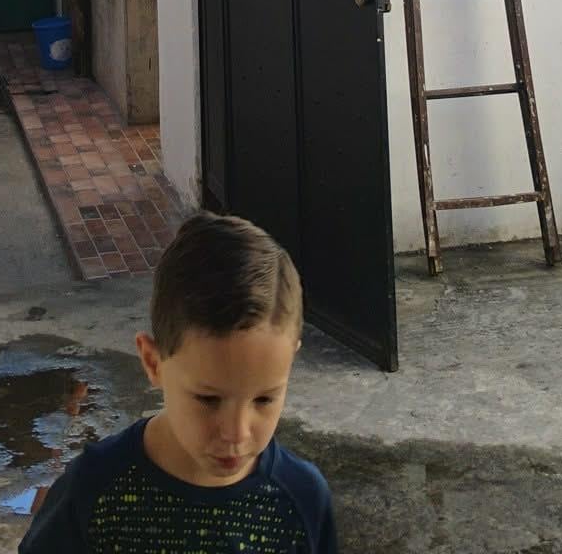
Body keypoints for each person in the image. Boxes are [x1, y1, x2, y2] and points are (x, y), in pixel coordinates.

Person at [20, 210, 338, 552]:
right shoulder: (93, 490)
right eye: (209, 399)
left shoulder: (302, 500)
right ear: (153, 362)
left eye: (264, 399)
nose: (237, 433)